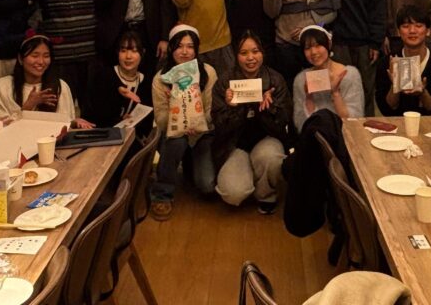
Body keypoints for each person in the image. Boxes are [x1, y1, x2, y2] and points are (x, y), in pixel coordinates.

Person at [212, 31, 291, 214]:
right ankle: (247, 176)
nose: (250, 58)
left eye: (255, 51)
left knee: (271, 158)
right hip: (234, 145)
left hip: (266, 141)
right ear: (236, 55)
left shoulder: (275, 80)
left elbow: (283, 124)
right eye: (244, 53)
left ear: (262, 53)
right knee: (232, 193)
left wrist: (267, 108)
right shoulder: (225, 82)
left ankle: (266, 194)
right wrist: (232, 107)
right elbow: (219, 127)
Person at [150, 25, 218, 220]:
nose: (185, 52)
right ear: (171, 48)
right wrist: (176, 105)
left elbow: (211, 111)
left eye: (190, 46)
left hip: (202, 134)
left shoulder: (208, 72)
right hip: (173, 136)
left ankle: (189, 163)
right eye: (179, 46)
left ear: (196, 50)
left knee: (207, 185)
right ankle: (162, 194)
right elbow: (160, 121)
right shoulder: (160, 79)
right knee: (177, 142)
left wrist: (194, 123)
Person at [0, 34, 93, 128]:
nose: (41, 62)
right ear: (20, 59)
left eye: (46, 56)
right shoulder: (2, 87)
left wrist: (73, 122)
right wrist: (28, 106)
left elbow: (63, 124)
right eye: (35, 56)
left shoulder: (60, 86)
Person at [376, 5, 431, 116]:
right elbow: (386, 110)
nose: (412, 31)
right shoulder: (386, 64)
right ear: (398, 32)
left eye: (418, 26)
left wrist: (423, 93)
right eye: (406, 26)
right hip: (398, 124)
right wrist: (395, 85)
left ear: (428, 31)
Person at [292, 26, 364, 132]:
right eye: (307, 48)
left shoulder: (350, 74)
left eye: (318, 45)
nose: (313, 52)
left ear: (329, 44)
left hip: (345, 135)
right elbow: (300, 125)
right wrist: (309, 97)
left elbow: (355, 121)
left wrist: (335, 93)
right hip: (315, 136)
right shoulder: (301, 79)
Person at [83, 29, 152, 132]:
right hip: (103, 134)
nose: (128, 56)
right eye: (123, 51)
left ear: (143, 53)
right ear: (117, 52)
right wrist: (120, 119)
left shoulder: (145, 81)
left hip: (132, 137)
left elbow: (147, 121)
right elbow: (95, 116)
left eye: (134, 51)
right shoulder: (104, 76)